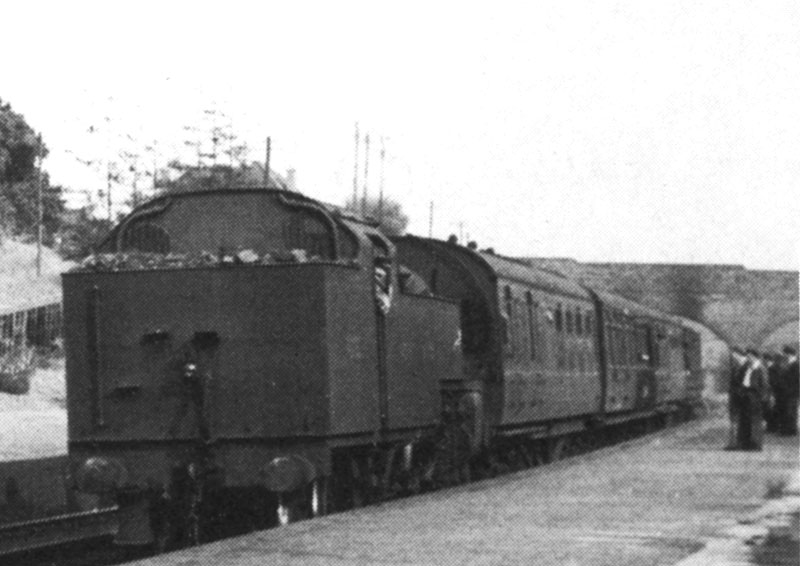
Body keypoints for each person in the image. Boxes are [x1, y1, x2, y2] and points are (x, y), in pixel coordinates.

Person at [734, 349, 768, 450]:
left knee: (754, 421)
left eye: (749, 356)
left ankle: (755, 445)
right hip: (745, 395)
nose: (748, 358)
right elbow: (742, 380)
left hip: (754, 397)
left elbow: (764, 385)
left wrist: (761, 398)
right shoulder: (748, 367)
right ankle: (744, 443)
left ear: (754, 356)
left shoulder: (760, 368)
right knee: (744, 421)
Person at [725, 347, 747, 450]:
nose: (732, 357)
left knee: (738, 420)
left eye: (733, 355)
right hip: (735, 397)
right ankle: (734, 443)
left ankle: (737, 443)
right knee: (734, 420)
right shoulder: (737, 366)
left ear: (738, 354)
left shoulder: (745, 366)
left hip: (740, 397)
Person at [778, 346, 799, 436]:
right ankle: (789, 429)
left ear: (789, 354)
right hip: (787, 392)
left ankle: (789, 430)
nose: (784, 356)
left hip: (792, 392)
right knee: (788, 410)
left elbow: (796, 380)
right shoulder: (789, 363)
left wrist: (790, 390)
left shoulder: (796, 364)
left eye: (785, 354)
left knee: (790, 411)